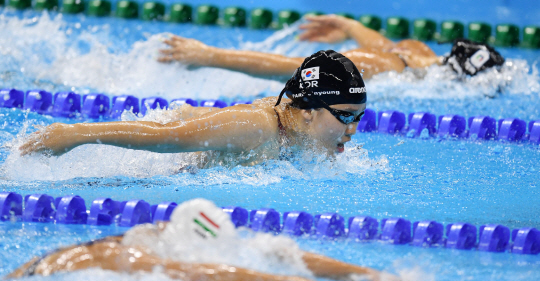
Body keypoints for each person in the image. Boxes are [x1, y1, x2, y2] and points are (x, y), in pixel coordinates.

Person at [6, 198, 417, 281]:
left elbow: (269, 253)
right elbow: (203, 275)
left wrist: (369, 274)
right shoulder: (130, 258)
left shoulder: (167, 234)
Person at [19, 50, 367, 167]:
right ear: (309, 110)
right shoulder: (258, 125)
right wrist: (73, 134)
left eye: (358, 118)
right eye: (345, 117)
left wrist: (192, 114)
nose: (352, 130)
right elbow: (166, 137)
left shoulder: (295, 132)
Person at [158, 14, 504, 79]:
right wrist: (210, 56)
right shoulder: (378, 66)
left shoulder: (420, 52)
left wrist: (350, 25)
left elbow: (382, 45)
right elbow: (292, 66)